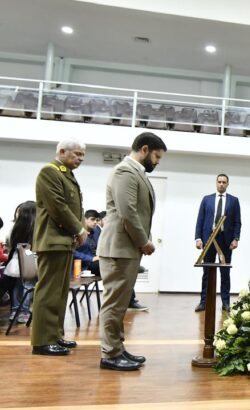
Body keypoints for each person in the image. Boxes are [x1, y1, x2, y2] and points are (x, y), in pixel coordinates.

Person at [97, 132, 166, 371]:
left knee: (120, 302)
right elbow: (128, 212)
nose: (157, 162)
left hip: (125, 248)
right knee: (114, 303)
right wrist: (143, 241)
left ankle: (117, 348)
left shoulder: (135, 172)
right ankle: (110, 354)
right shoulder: (124, 171)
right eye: (157, 156)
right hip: (119, 248)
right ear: (144, 149)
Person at [31, 139, 88, 356]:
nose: (80, 159)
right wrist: (79, 230)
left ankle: (54, 335)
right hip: (52, 240)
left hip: (63, 241)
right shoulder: (50, 171)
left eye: (83, 155)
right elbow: (58, 207)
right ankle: (42, 341)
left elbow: (75, 207)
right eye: (77, 154)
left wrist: (79, 230)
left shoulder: (66, 174)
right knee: (48, 292)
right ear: (62, 151)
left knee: (60, 292)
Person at [194, 173, 242, 312]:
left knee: (225, 272)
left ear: (227, 184)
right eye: (219, 182)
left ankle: (226, 303)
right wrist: (198, 238)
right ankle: (204, 302)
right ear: (216, 183)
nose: (221, 184)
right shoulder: (207, 199)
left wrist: (236, 238)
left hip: (225, 240)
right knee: (207, 272)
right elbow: (200, 220)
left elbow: (237, 222)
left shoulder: (234, 201)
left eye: (224, 182)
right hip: (208, 239)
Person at [84, 210, 147, 311]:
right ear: (85, 220)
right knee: (121, 270)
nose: (95, 222)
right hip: (87, 265)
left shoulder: (97, 231)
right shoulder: (79, 232)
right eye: (92, 220)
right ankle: (129, 302)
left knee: (122, 269)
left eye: (96, 220)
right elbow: (74, 253)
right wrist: (91, 258)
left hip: (99, 261)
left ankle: (128, 301)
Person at [8, 201, 36, 324]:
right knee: (28, 285)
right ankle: (24, 311)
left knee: (17, 285)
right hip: (31, 258)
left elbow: (11, 244)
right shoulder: (35, 228)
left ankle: (15, 310)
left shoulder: (16, 227)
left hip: (17, 258)